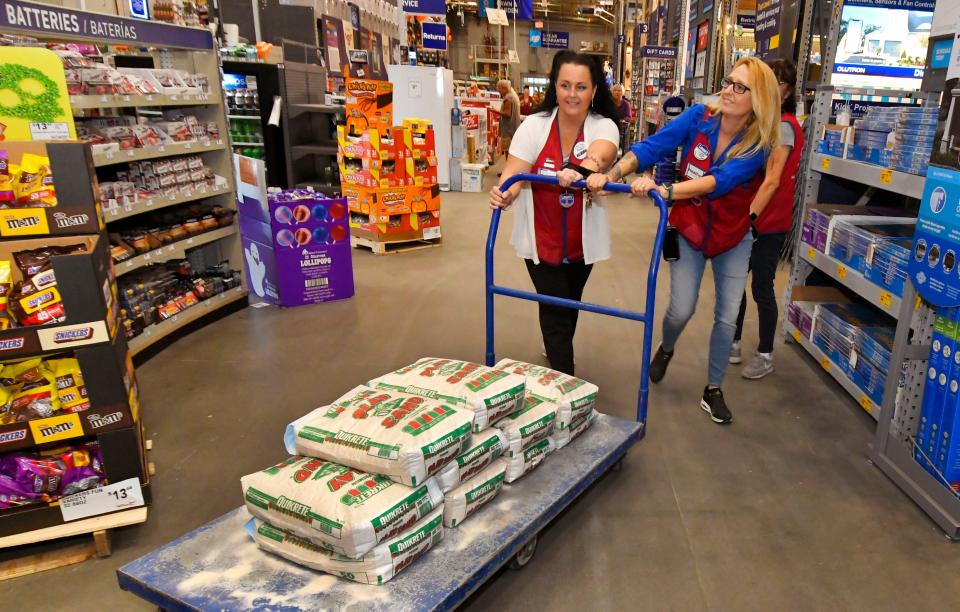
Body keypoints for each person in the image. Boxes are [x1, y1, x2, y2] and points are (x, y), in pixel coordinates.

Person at [586, 57, 781, 424]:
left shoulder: (757, 145)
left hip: (733, 237)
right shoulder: (699, 117)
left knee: (726, 317)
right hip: (689, 230)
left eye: (741, 87)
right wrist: (615, 172)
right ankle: (667, 347)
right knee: (681, 308)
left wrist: (664, 189)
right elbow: (655, 146)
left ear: (760, 99)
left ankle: (713, 388)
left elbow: (716, 181)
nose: (728, 90)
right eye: (728, 81)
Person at [489, 52, 622, 375]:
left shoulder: (603, 124)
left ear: (593, 91)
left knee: (569, 304)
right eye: (565, 85)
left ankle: (556, 351)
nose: (572, 94)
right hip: (541, 237)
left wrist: (581, 169)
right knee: (555, 309)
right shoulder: (534, 126)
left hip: (581, 243)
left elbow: (602, 153)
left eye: (581, 87)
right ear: (555, 86)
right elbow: (514, 172)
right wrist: (504, 192)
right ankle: (565, 384)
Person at [731, 59, 805, 379]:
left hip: (767, 222)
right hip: (750, 218)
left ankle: (765, 354)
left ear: (786, 91)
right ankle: (733, 342)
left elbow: (773, 180)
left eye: (776, 82)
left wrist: (749, 216)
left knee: (762, 287)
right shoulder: (764, 122)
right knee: (734, 284)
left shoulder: (784, 126)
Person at [495, 79, 522, 158]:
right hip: (513, 129)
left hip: (508, 130)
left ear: (504, 88)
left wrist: (494, 111)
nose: (498, 91)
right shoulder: (513, 96)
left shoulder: (508, 98)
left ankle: (509, 169)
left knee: (508, 152)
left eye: (499, 89)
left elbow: (507, 114)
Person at [611, 83, 632, 150]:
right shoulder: (609, 103)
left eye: (619, 90)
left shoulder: (626, 104)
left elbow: (628, 116)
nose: (617, 92)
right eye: (615, 90)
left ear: (622, 92)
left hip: (622, 129)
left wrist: (622, 120)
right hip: (611, 127)